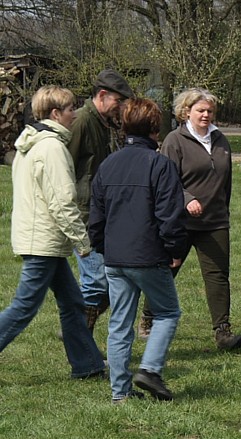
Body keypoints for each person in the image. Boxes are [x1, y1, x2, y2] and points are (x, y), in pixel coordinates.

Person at [0, 85, 106, 379]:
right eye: (71, 108)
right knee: (24, 308)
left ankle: (88, 366)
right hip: (43, 242)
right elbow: (62, 202)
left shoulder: (32, 143)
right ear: (56, 113)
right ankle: (89, 365)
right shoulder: (52, 148)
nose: (75, 113)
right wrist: (82, 242)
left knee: (73, 304)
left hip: (42, 240)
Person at [88, 98, 187, 403]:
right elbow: (170, 214)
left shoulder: (108, 164)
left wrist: (104, 248)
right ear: (155, 129)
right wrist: (174, 249)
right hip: (148, 255)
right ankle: (150, 369)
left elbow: (97, 215)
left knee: (120, 323)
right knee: (168, 312)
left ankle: (120, 392)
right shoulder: (160, 165)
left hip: (115, 257)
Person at [141, 88, 241, 350]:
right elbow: (167, 181)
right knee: (166, 271)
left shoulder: (220, 139)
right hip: (181, 221)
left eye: (210, 110)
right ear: (186, 112)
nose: (206, 115)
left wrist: (222, 208)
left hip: (215, 221)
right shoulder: (175, 141)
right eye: (201, 110)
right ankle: (148, 318)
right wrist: (187, 200)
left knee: (218, 276)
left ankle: (223, 331)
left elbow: (226, 181)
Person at [68, 69, 134, 336]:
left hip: (102, 213)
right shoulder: (82, 121)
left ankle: (76, 331)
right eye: (118, 101)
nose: (120, 107)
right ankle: (79, 340)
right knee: (98, 283)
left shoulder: (104, 123)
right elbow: (65, 169)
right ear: (103, 95)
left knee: (108, 282)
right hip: (83, 214)